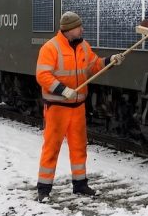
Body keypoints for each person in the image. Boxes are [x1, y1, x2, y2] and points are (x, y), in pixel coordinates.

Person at [35, 11, 124, 201]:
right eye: (79, 27)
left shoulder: (83, 46)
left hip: (77, 107)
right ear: (68, 30)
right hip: (57, 107)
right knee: (52, 148)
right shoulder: (50, 48)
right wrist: (62, 90)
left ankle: (80, 184)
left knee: (79, 147)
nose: (82, 29)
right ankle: (44, 189)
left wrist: (110, 61)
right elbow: (42, 76)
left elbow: (94, 65)